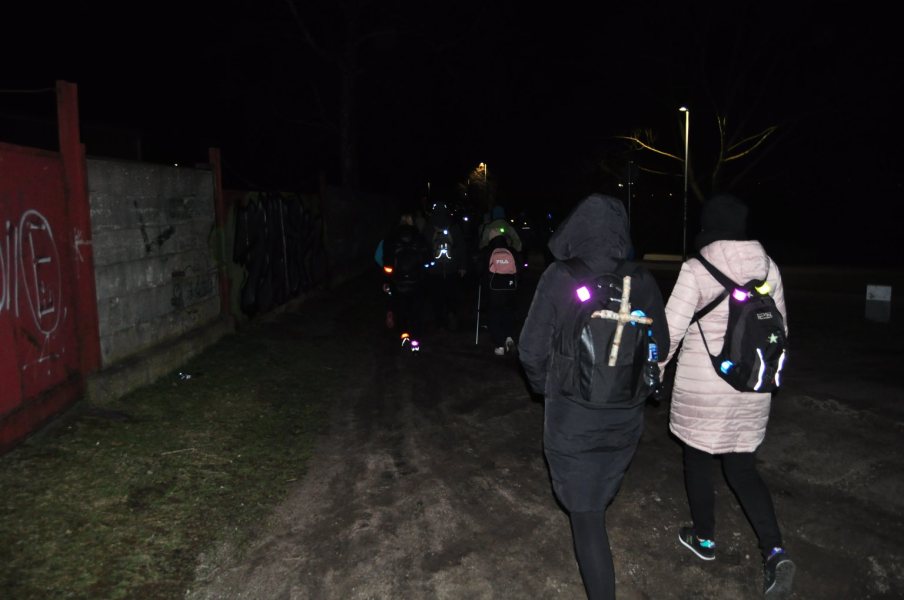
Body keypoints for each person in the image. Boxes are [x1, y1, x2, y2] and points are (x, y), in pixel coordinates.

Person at [518, 194, 669, 600]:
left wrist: (546, 387)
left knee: (586, 516)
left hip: (572, 417)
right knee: (595, 500)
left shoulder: (560, 277)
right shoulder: (641, 279)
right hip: (626, 415)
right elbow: (662, 341)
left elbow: (530, 350)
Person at [659, 194, 794, 598]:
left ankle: (704, 539)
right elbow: (780, 331)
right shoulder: (769, 266)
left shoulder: (696, 268)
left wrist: (655, 373)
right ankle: (774, 551)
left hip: (704, 389)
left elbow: (670, 332)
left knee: (698, 460)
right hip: (753, 384)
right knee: (743, 469)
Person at [382, 212, 431, 351]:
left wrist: (387, 280)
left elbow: (388, 263)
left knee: (401, 309)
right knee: (416, 311)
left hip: (398, 281)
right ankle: (415, 341)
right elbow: (428, 259)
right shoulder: (419, 237)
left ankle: (404, 335)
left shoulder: (391, 238)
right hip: (417, 281)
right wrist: (425, 269)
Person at [425, 202, 467, 330]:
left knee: (436, 296)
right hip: (451, 267)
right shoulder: (453, 226)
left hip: (434, 269)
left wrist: (425, 266)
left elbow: (424, 247)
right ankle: (451, 314)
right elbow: (461, 247)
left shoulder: (429, 227)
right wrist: (462, 266)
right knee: (451, 294)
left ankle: (439, 321)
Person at [480, 227, 520, 356]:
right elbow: (519, 268)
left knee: (494, 315)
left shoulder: (487, 251)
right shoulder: (512, 251)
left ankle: (499, 345)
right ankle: (509, 337)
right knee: (508, 312)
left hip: (493, 290)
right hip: (510, 289)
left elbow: (481, 271)